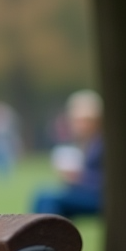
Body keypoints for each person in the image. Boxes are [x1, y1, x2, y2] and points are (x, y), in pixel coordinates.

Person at [32, 89, 103, 218]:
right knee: (48, 200)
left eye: (85, 120)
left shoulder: (101, 143)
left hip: (100, 197)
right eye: (76, 120)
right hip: (90, 193)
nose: (80, 125)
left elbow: (107, 181)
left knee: (46, 197)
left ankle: (43, 237)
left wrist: (78, 178)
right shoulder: (87, 142)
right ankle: (51, 237)